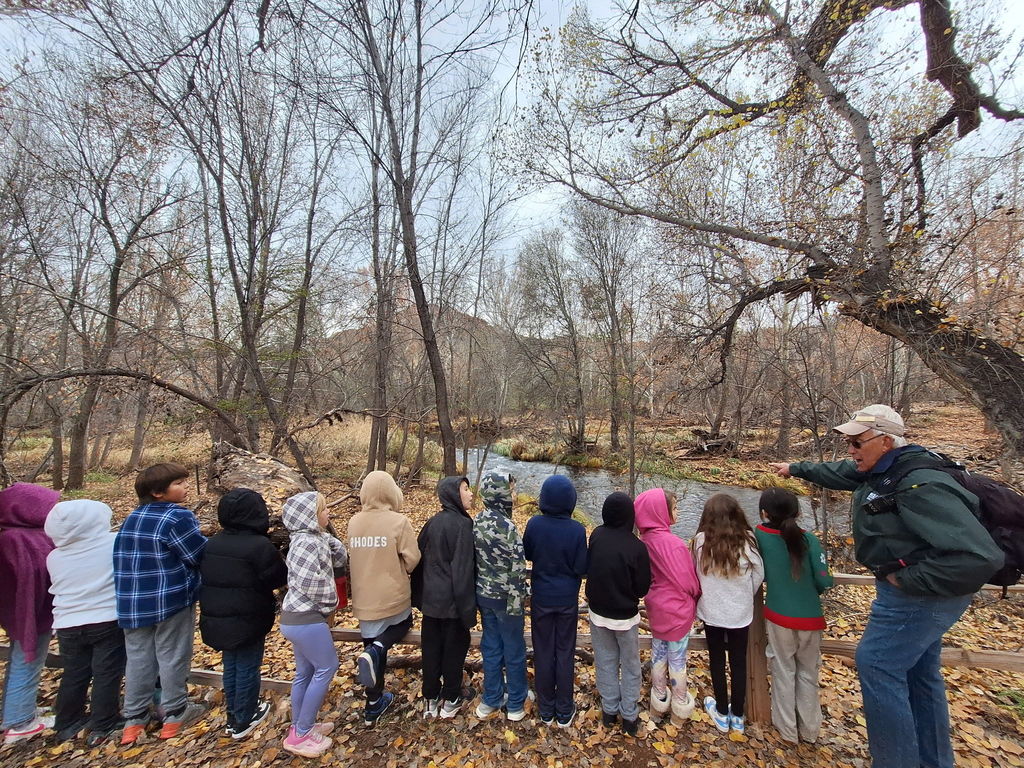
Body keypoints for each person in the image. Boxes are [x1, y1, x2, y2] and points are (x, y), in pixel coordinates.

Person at [770, 403, 1003, 768]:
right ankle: (933, 760)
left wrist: (907, 578)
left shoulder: (920, 483)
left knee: (876, 663)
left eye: (858, 442)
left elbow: (979, 557)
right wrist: (797, 468)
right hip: (916, 592)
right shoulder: (884, 469)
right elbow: (845, 472)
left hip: (919, 596)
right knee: (919, 672)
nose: (851, 450)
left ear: (886, 441)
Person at [114, 463, 208, 743]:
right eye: (179, 483)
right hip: (170, 598)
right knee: (173, 654)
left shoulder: (132, 517)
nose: (186, 487)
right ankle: (175, 712)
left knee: (138, 658)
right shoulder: (177, 516)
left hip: (132, 601)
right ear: (157, 492)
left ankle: (134, 720)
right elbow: (197, 554)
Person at [200, 488, 288, 739]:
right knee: (248, 665)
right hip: (249, 618)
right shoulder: (258, 546)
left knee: (231, 665)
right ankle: (244, 716)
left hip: (218, 618)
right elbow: (277, 577)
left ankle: (234, 713)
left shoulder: (212, 543)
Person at [754, 487, 833, 744]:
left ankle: (787, 729)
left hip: (778, 615)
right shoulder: (809, 540)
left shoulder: (761, 535)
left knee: (783, 670)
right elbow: (824, 580)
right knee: (809, 673)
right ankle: (810, 730)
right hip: (811, 618)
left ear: (764, 513)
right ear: (798, 512)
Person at [45, 499, 125, 746]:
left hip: (67, 623)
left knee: (75, 673)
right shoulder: (113, 543)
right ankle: (104, 722)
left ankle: (67, 723)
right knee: (106, 672)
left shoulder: (54, 556)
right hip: (106, 618)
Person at [348, 470, 420, 727]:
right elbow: (413, 560)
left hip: (364, 600)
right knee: (402, 626)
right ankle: (379, 649)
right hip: (393, 597)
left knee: (370, 644)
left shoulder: (353, 522)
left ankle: (373, 703)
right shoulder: (399, 522)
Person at [278, 491, 345, 758]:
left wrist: (327, 537)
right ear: (309, 516)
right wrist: (332, 600)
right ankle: (302, 733)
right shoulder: (306, 543)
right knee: (327, 667)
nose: (328, 513)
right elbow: (310, 583)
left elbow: (340, 556)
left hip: (297, 618)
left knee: (304, 672)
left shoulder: (312, 539)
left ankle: (300, 725)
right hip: (306, 618)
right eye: (323, 510)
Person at [691, 493, 763, 735]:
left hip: (712, 612)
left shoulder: (701, 541)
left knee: (717, 660)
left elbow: (695, 571)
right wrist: (744, 595)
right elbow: (758, 574)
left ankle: (722, 711)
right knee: (739, 661)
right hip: (740, 613)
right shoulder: (748, 540)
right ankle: (738, 715)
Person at [523, 474, 587, 727]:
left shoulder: (535, 524)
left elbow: (527, 552)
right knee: (564, 652)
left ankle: (546, 709)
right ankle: (564, 710)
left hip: (541, 598)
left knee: (543, 651)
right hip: (567, 600)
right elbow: (582, 566)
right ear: (570, 501)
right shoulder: (577, 530)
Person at [586, 492, 651, 736]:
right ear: (630, 517)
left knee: (605, 660)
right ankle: (630, 716)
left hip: (598, 612)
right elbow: (642, 588)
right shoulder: (637, 547)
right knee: (631, 664)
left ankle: (609, 711)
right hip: (625, 616)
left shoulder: (597, 536)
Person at [634, 487, 700, 726]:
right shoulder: (673, 544)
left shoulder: (644, 542)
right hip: (678, 612)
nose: (677, 511)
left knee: (658, 656)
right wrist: (696, 595)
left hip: (656, 609)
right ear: (660, 512)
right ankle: (679, 708)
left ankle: (658, 702)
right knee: (678, 661)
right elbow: (688, 581)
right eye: (674, 508)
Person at [413, 476, 477, 719]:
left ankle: (430, 698)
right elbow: (462, 571)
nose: (470, 494)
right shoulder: (463, 525)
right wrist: (468, 611)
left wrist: (419, 597)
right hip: (453, 605)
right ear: (452, 494)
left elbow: (416, 561)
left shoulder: (432, 523)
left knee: (430, 650)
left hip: (431, 604)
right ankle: (450, 699)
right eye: (465, 489)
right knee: (454, 651)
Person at [0, 482, 59, 745]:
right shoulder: (21, 540)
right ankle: (20, 721)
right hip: (31, 613)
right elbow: (30, 581)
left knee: (23, 658)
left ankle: (15, 711)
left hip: (27, 611)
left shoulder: (15, 535)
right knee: (29, 659)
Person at [472, 470, 529, 722]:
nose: (513, 494)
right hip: (508, 601)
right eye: (510, 490)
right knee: (514, 650)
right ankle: (516, 702)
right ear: (501, 493)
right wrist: (519, 605)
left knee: (491, 648)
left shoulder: (476, 522)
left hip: (484, 598)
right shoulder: (508, 527)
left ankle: (490, 700)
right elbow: (518, 570)